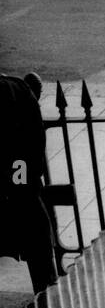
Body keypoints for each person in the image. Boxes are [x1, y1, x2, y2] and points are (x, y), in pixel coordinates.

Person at [0, 73, 59, 294]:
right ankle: (47, 294)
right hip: (20, 186)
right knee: (38, 245)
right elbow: (33, 145)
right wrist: (23, 179)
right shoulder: (19, 91)